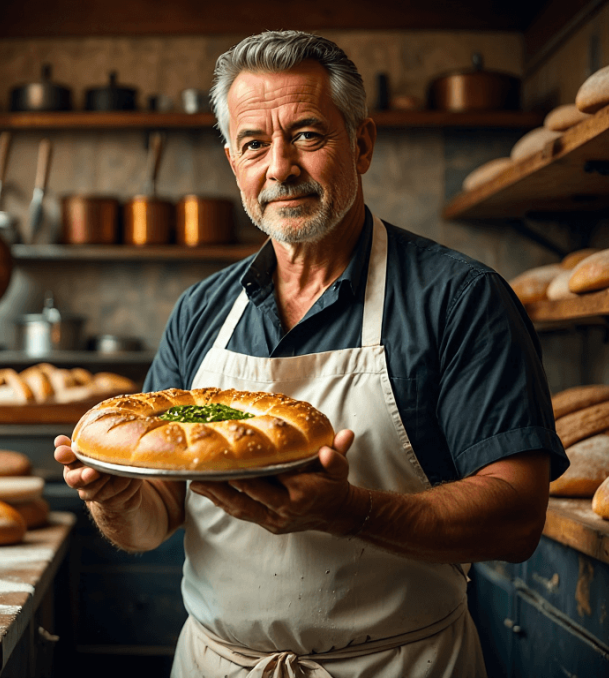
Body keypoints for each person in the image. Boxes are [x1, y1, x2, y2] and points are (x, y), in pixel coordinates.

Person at [54, 30, 568, 678]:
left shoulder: (460, 300)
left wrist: (351, 512)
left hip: (397, 666)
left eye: (306, 135)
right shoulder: (201, 312)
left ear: (362, 143)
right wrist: (111, 497)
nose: (279, 168)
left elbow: (516, 517)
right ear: (232, 162)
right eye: (254, 144)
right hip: (216, 665)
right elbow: (154, 520)